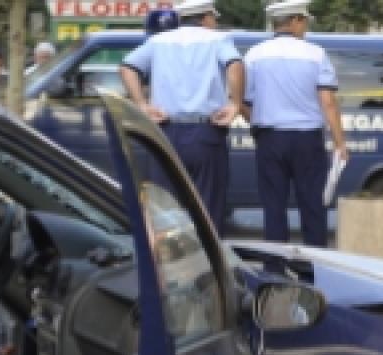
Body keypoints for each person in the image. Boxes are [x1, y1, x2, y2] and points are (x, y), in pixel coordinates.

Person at [121, 0, 243, 232]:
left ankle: (171, 263)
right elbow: (235, 64)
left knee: (166, 208)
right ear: (206, 17)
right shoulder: (218, 40)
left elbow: (128, 67)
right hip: (206, 132)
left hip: (165, 132)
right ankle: (208, 264)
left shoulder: (158, 41)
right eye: (213, 18)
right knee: (207, 207)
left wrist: (141, 104)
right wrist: (235, 103)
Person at [243, 0, 347, 247]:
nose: (306, 27)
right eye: (305, 21)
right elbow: (328, 102)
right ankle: (314, 269)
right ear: (295, 21)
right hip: (307, 139)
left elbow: (243, 101)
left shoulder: (254, 54)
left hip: (270, 138)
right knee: (312, 206)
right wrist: (340, 142)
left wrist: (259, 125)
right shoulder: (315, 53)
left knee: (273, 207)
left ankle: (275, 270)